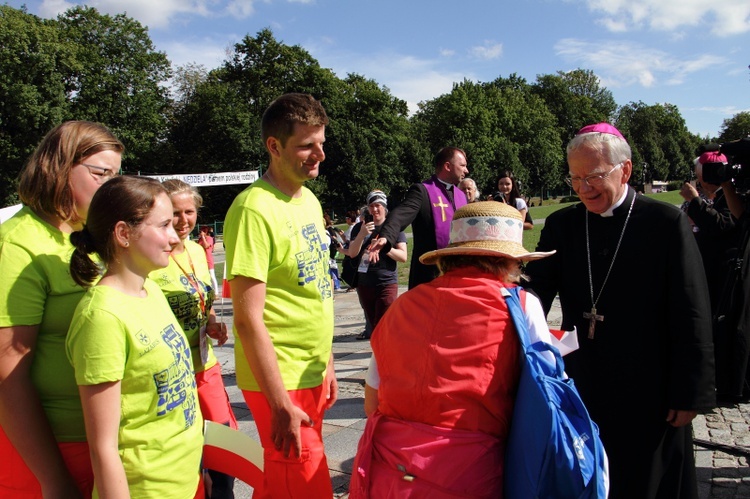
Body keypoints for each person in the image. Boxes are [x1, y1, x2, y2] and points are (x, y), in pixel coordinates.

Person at [525, 123, 715, 498]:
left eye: (593, 176)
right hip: (585, 378)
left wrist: (689, 392)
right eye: (575, 178)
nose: (582, 188)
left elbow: (690, 308)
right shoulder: (563, 224)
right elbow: (536, 291)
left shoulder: (665, 222)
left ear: (624, 170)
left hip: (650, 384)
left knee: (646, 479)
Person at [350, 201, 555, 498]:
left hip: (391, 472)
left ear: (451, 257)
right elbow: (545, 396)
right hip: (471, 473)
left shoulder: (403, 305)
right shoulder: (521, 305)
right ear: (510, 261)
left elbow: (372, 402)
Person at [222, 93, 338, 498]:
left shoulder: (308, 199)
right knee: (303, 481)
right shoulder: (253, 209)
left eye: (322, 142)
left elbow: (315, 289)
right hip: (281, 377)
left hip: (311, 370)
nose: (319, 154)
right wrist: (278, 403)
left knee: (283, 481)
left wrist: (328, 362)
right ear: (274, 146)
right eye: (306, 145)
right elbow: (247, 318)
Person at [0, 121, 123, 498]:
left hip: (100, 438)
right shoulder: (18, 245)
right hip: (52, 449)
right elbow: (7, 373)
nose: (111, 187)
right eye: (101, 174)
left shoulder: (85, 235)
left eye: (117, 176)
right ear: (58, 167)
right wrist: (53, 479)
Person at [66, 176, 203, 498]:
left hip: (186, 478)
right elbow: (104, 447)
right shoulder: (101, 318)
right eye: (164, 225)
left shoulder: (150, 289)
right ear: (124, 233)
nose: (175, 237)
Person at [150, 179, 237, 498]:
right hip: (172, 373)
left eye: (189, 211)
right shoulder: (150, 257)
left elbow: (205, 302)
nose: (183, 220)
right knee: (191, 458)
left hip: (206, 367)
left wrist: (212, 323)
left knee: (225, 454)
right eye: (174, 213)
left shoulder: (198, 251)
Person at [369, 146, 469, 289]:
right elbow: (400, 214)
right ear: (447, 166)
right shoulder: (422, 191)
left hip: (459, 274)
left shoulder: (461, 196)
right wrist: (386, 236)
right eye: (463, 165)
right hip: (430, 276)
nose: (466, 170)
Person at [340, 190, 407, 340]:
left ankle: (385, 357)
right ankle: (379, 358)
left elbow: (403, 256)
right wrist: (362, 234)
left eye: (378, 205)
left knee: (383, 324)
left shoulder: (394, 227)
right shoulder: (360, 227)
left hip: (386, 282)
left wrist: (385, 247)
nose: (375, 209)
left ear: (385, 207)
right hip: (365, 283)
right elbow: (352, 253)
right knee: (374, 327)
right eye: (371, 206)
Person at [198, 225, 220, 292]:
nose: (201, 233)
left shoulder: (209, 238)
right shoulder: (200, 239)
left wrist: (203, 238)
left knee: (212, 276)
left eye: (202, 231)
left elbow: (206, 245)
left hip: (208, 259)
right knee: (203, 276)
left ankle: (216, 292)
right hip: (201, 260)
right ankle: (206, 291)